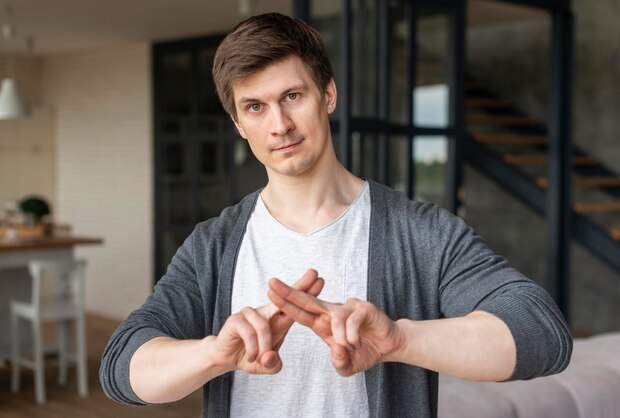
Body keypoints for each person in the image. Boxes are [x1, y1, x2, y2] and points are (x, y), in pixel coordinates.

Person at [100, 12, 572, 418]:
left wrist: (399, 340)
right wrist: (212, 354)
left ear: (328, 94)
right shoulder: (213, 245)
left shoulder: (420, 231)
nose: (279, 125)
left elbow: (542, 334)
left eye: (292, 96)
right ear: (239, 124)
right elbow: (121, 366)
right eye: (255, 107)